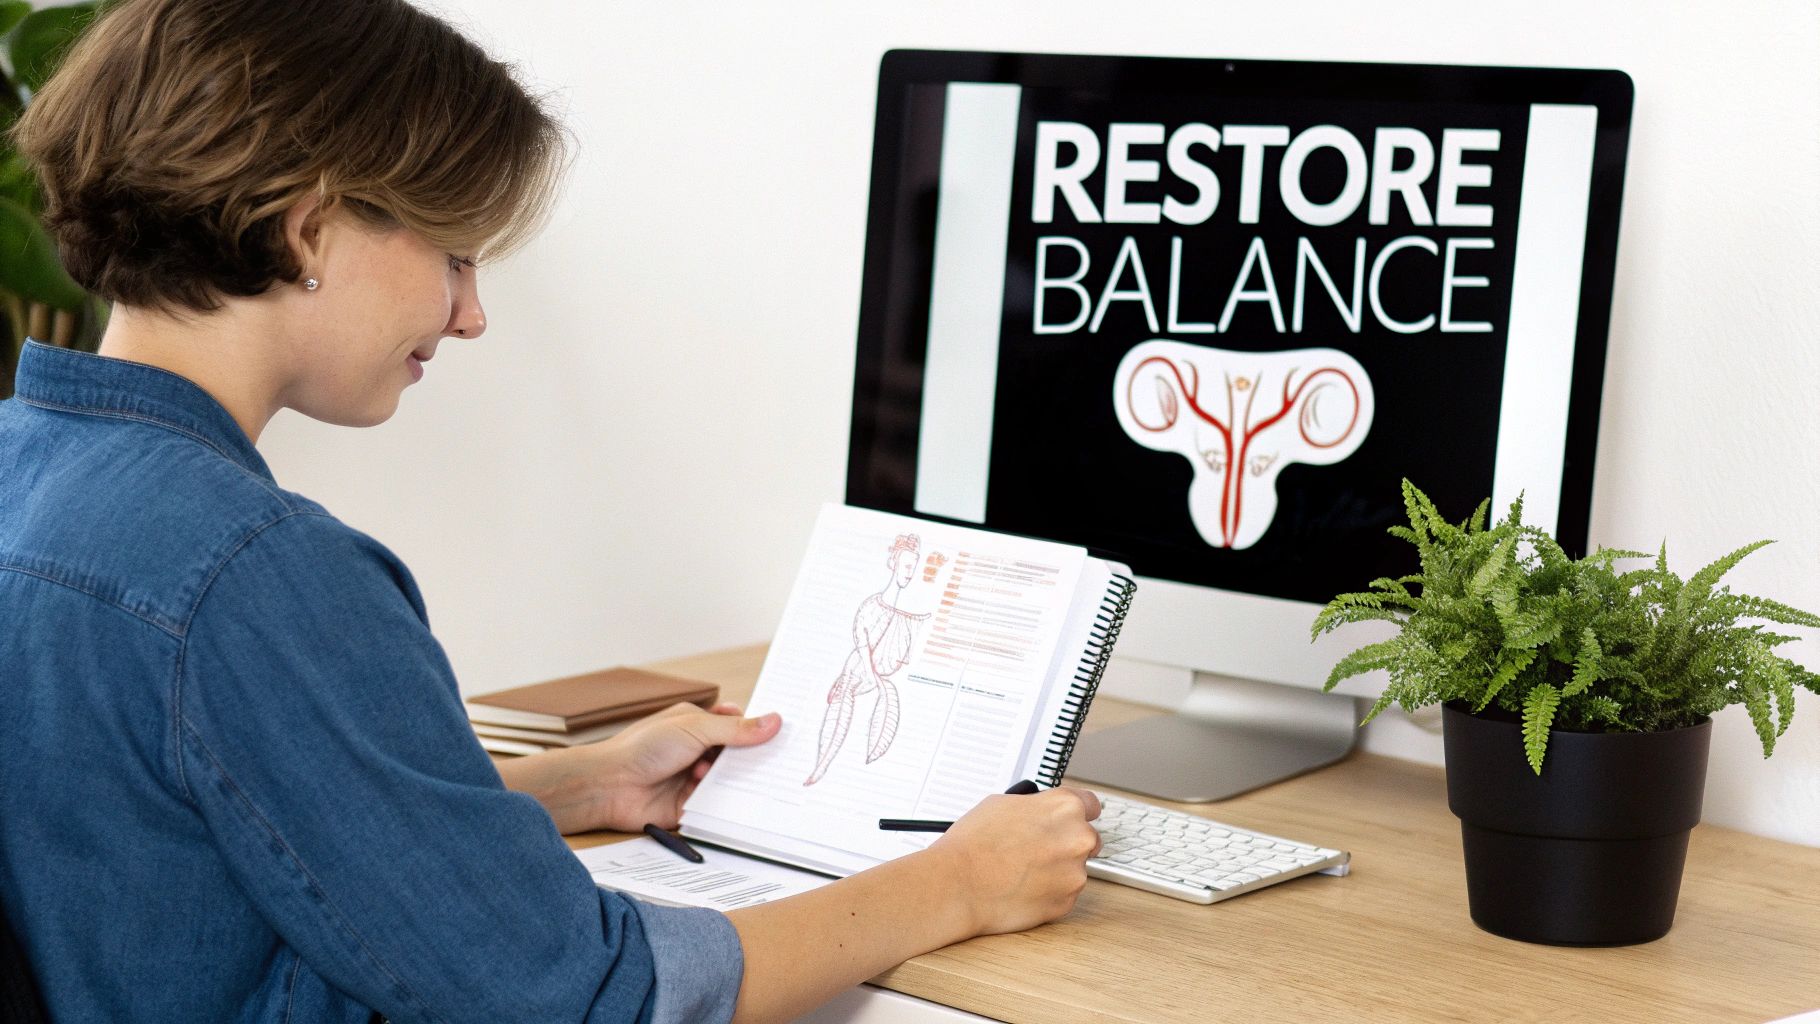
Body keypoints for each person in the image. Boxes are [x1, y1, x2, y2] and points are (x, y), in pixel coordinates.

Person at [0, 1, 1103, 1022]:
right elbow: (577, 995)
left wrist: (574, 781)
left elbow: (193, 822)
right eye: (454, 253)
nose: (472, 315)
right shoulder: (256, 571)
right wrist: (957, 883)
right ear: (306, 231)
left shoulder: (24, 472)